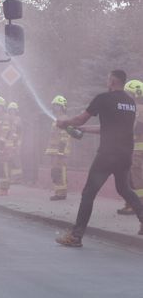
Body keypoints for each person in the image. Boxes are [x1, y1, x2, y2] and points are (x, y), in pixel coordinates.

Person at [55, 70, 143, 247]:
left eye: (107, 79)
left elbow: (80, 119)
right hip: (125, 155)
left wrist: (65, 123)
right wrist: (86, 130)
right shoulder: (130, 103)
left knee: (88, 193)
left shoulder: (103, 98)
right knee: (125, 189)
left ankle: (75, 236)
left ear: (111, 81)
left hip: (107, 155)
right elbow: (113, 127)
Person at [117, 79, 143, 215]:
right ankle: (131, 203)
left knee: (134, 177)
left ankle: (137, 204)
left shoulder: (139, 109)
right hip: (130, 148)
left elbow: (138, 128)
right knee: (128, 177)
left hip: (136, 150)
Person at [45, 95, 71, 201]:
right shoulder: (57, 119)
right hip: (55, 150)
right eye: (54, 106)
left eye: (58, 106)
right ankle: (58, 192)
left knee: (60, 170)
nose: (56, 108)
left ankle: (61, 194)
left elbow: (64, 136)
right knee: (55, 171)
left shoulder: (64, 119)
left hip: (60, 151)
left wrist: (60, 151)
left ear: (63, 107)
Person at [0, 96, 12, 196]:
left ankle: (4, 189)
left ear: (3, 107)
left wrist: (0, 146)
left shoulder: (5, 117)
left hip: (4, 146)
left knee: (3, 167)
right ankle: (1, 188)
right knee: (0, 167)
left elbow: (5, 131)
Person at [7, 102, 23, 184]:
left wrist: (18, 143)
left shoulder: (18, 119)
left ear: (16, 111)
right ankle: (11, 177)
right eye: (11, 110)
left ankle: (17, 178)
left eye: (14, 110)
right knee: (9, 160)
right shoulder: (7, 118)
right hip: (7, 143)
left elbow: (20, 132)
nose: (12, 111)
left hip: (15, 142)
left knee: (15, 160)